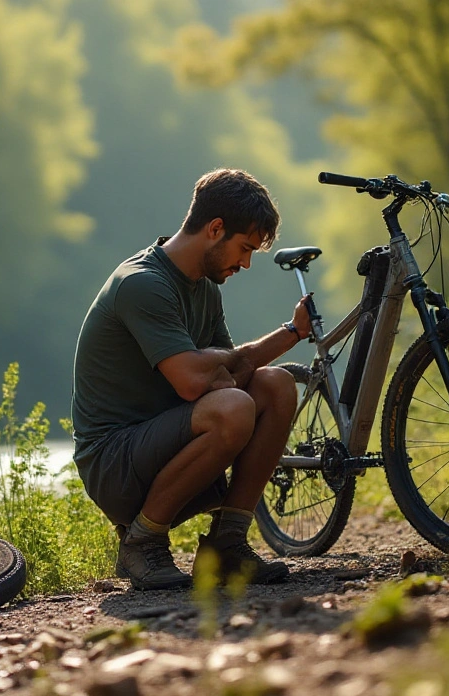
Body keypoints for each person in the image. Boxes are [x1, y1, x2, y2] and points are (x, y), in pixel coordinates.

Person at [70, 168, 312, 590]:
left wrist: (292, 333)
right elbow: (191, 383)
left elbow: (233, 372)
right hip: (115, 464)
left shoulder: (205, 288)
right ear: (215, 228)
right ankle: (141, 543)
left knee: (275, 385)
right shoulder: (142, 283)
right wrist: (214, 369)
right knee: (234, 408)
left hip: (169, 439)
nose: (246, 263)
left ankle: (227, 546)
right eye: (244, 248)